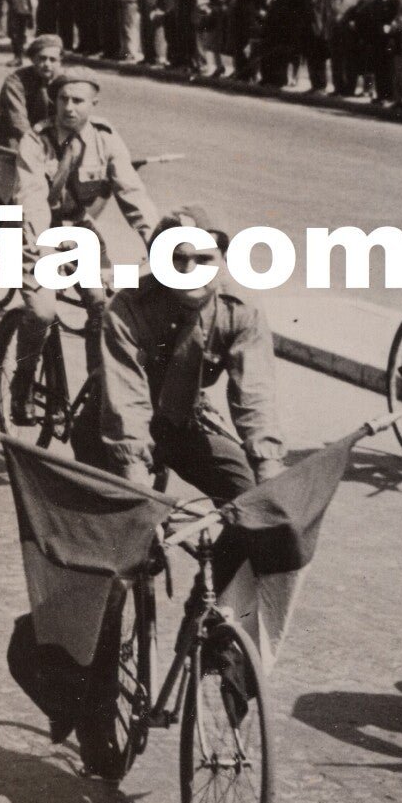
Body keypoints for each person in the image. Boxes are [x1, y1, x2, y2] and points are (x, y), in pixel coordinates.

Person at [81, 208, 291, 637]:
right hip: (111, 430)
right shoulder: (129, 306)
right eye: (177, 260)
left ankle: (206, 612)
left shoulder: (240, 306)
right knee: (118, 557)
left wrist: (269, 467)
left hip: (181, 422)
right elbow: (125, 406)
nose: (191, 271)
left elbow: (255, 395)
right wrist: (137, 494)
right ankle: (97, 671)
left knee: (252, 505)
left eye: (204, 259)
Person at [6, 77, 158, 426]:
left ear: (93, 106)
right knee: (43, 313)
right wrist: (44, 247)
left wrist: (158, 242)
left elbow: (132, 193)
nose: (69, 107)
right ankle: (23, 381)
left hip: (77, 228)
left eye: (78, 100)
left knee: (104, 307)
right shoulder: (36, 140)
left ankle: (96, 395)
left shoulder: (106, 138)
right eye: (63, 99)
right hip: (31, 232)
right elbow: (31, 198)